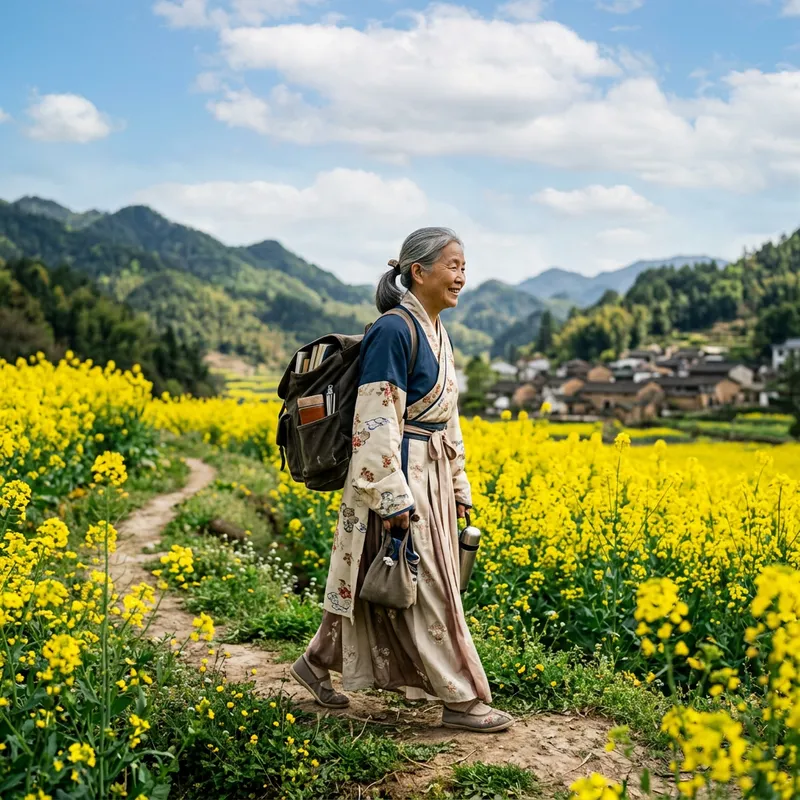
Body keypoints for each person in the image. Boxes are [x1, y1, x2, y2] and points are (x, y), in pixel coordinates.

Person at [290, 227, 514, 733]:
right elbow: (374, 419)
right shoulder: (394, 330)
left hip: (430, 472)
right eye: (453, 266)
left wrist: (459, 487)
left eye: (463, 266)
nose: (461, 276)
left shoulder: (437, 331)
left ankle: (315, 662)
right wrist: (392, 498)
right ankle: (460, 700)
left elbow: (448, 420)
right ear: (419, 271)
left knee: (376, 576)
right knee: (427, 582)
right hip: (397, 477)